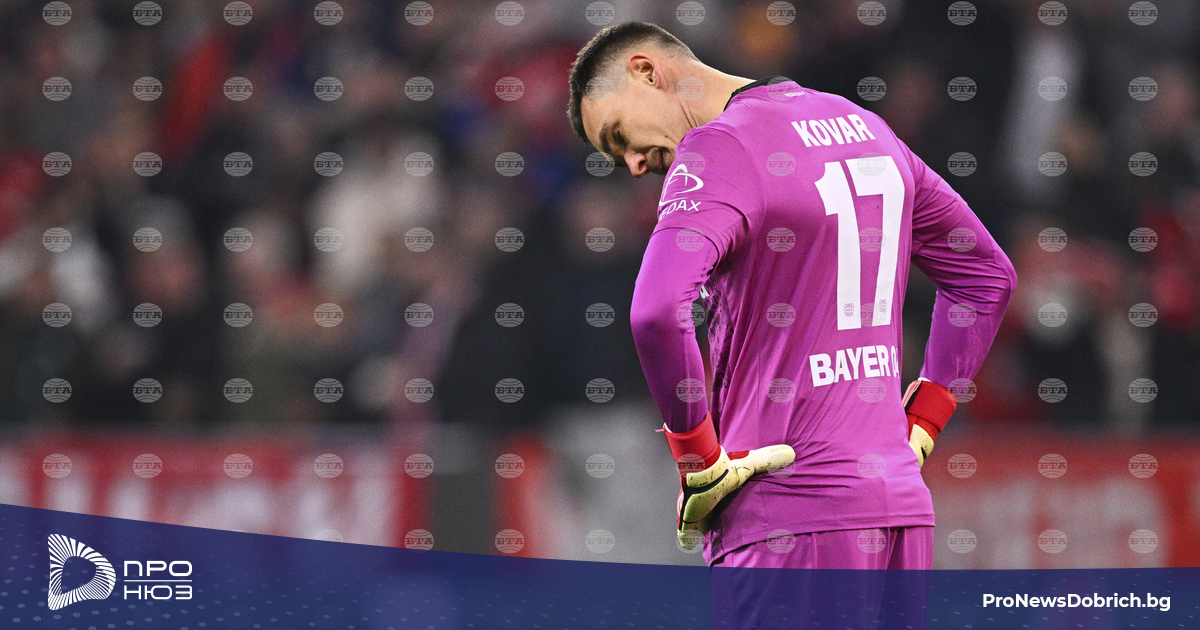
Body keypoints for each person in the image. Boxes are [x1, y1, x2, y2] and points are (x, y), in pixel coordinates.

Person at [566, 19, 1014, 581]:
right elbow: (986, 275)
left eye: (618, 136)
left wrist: (698, 460)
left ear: (646, 72)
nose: (633, 164)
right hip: (900, 509)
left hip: (786, 517)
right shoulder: (862, 123)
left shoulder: (719, 147)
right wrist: (925, 417)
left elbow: (656, 312)